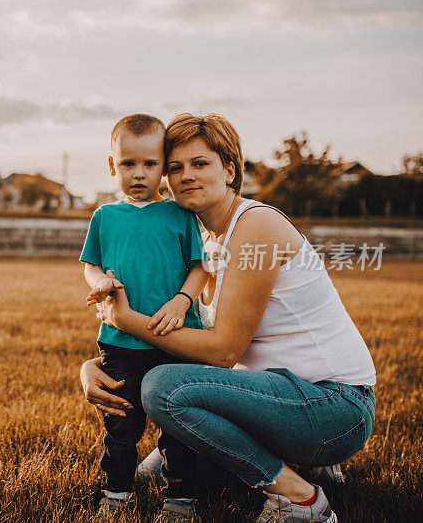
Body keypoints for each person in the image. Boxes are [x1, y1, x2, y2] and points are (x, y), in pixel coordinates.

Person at [81, 113, 376, 523]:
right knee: (153, 470)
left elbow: (222, 352)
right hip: (276, 397)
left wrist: (123, 318)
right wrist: (95, 365)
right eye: (175, 166)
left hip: (334, 405)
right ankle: (303, 459)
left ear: (230, 169)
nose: (185, 176)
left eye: (200, 164)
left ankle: (301, 498)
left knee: (162, 388)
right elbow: (193, 338)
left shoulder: (256, 226)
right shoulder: (205, 243)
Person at [81, 114, 210, 520]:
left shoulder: (179, 215)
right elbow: (89, 264)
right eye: (128, 164)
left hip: (175, 338)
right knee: (121, 426)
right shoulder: (105, 216)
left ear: (164, 167)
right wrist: (100, 279)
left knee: (177, 428)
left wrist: (182, 300)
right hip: (121, 342)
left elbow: (201, 266)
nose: (139, 174)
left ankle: (181, 500)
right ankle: (115, 493)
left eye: (150, 164)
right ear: (111, 165)